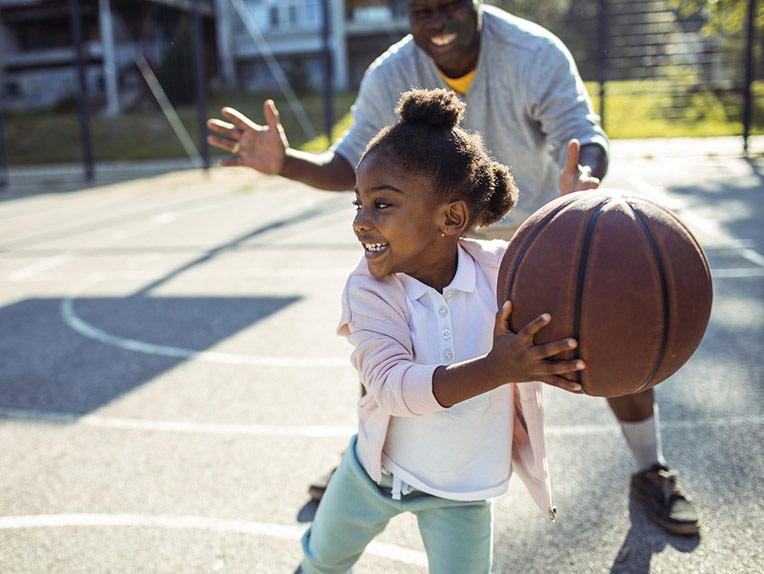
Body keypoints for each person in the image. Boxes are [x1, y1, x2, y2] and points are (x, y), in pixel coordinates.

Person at [207, 0, 699, 536]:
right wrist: (286, 162)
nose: (435, 21)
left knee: (605, 327)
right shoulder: (390, 72)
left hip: (529, 238)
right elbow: (348, 162)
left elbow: (581, 132)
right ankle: (369, 460)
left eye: (447, 8)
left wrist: (581, 179)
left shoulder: (533, 52)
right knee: (389, 344)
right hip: (422, 239)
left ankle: (649, 466)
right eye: (421, 11)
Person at [298, 87, 585, 574]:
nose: (362, 222)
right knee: (321, 561)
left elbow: (564, 276)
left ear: (451, 218)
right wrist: (496, 369)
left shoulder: (501, 273)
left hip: (462, 489)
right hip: (375, 473)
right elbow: (390, 387)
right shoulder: (369, 289)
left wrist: (577, 220)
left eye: (381, 205)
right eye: (358, 205)